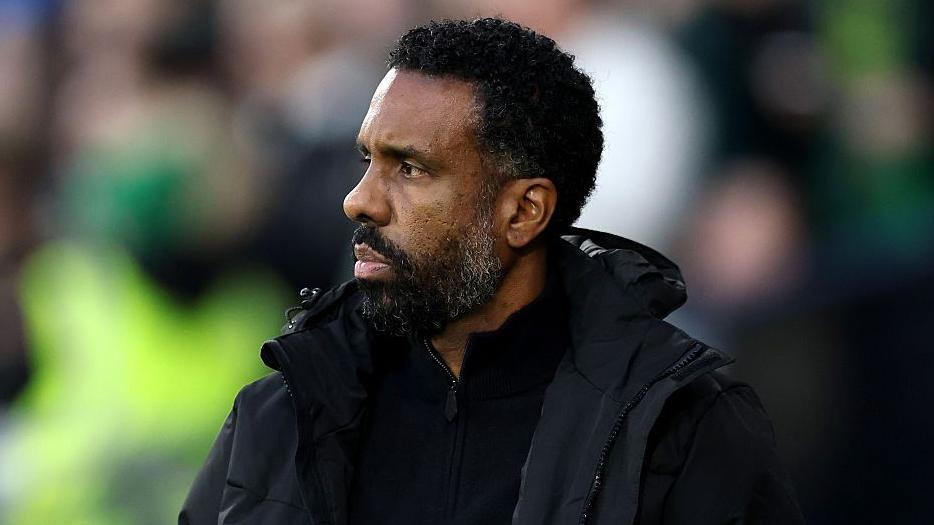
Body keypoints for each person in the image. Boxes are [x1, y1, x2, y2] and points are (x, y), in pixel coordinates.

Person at [180, 18, 803, 524]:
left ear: (524, 212)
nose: (358, 200)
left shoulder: (681, 430)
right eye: (368, 159)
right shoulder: (281, 413)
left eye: (411, 169)